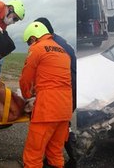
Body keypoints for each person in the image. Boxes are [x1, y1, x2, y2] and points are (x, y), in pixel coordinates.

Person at [20, 21, 72, 168]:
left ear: (33, 37)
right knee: (55, 152)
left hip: (47, 109)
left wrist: (26, 96)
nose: (30, 44)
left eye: (29, 41)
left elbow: (26, 79)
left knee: (33, 155)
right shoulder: (63, 51)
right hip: (65, 109)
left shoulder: (37, 49)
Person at [34, 17, 77, 168]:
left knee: (60, 128)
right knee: (61, 127)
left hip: (65, 90)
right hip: (70, 89)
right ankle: (57, 159)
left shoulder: (52, 45)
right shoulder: (60, 41)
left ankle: (75, 157)